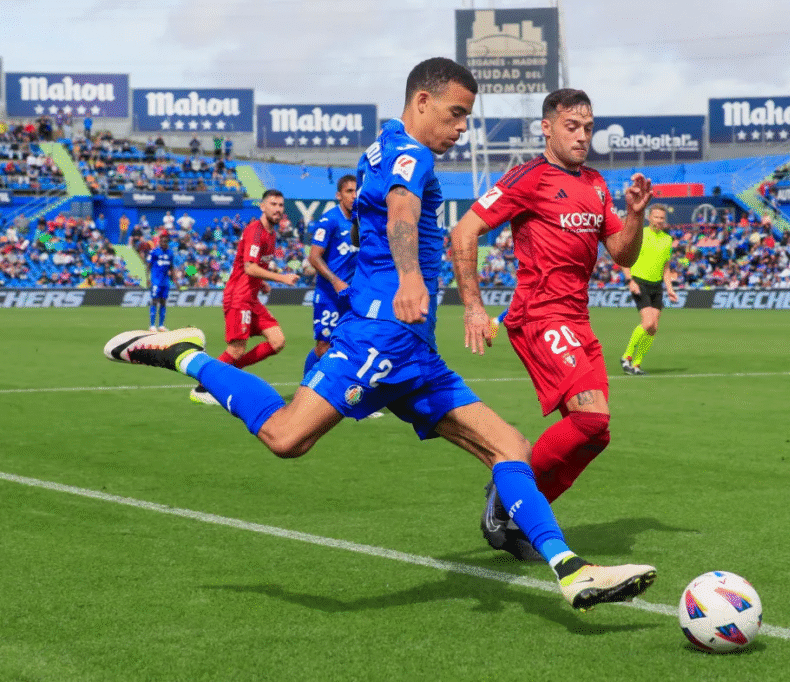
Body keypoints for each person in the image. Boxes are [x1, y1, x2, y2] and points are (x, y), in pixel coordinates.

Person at [103, 58, 655, 612]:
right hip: (381, 338)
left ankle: (572, 571)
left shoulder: (385, 143)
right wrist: (412, 276)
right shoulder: (411, 154)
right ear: (422, 103)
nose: (462, 128)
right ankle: (184, 354)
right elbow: (400, 210)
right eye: (456, 113)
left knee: (509, 448)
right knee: (286, 438)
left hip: (414, 348)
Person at [450, 88, 654, 559]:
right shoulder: (528, 177)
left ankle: (517, 506)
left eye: (588, 128)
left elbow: (622, 253)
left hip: (577, 320)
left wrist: (635, 215)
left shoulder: (597, 184)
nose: (583, 137)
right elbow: (464, 230)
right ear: (547, 127)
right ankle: (507, 497)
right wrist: (474, 307)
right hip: (540, 316)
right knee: (590, 417)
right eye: (572, 127)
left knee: (596, 435)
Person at [189, 189, 300, 405]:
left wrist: (264, 282)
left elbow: (249, 265)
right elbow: (249, 267)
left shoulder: (271, 233)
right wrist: (281, 278)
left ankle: (226, 373)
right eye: (273, 204)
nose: (278, 209)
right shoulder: (255, 231)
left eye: (280, 205)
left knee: (277, 341)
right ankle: (202, 388)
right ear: (262, 206)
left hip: (251, 298)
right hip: (239, 296)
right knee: (236, 349)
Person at [304, 174, 359, 375]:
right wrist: (335, 280)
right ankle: (306, 389)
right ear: (339, 195)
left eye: (356, 191)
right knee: (323, 348)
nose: (354, 196)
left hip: (353, 295)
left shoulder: (361, 222)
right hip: (330, 295)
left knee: (353, 345)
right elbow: (314, 257)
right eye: (348, 191)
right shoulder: (329, 220)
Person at [619, 203, 679, 376]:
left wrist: (669, 289)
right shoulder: (640, 234)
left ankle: (636, 365)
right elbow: (624, 258)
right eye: (656, 217)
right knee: (648, 323)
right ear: (649, 217)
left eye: (662, 218)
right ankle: (627, 356)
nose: (659, 220)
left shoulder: (667, 239)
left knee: (653, 328)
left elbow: (666, 268)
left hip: (657, 285)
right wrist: (630, 280)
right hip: (639, 282)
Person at [146, 231, 175, 331]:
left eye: (165, 242)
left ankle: (161, 325)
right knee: (154, 301)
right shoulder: (154, 252)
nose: (164, 243)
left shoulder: (170, 253)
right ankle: (152, 325)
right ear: (159, 242)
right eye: (162, 241)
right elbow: (148, 265)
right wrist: (147, 279)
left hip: (165, 282)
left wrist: (175, 280)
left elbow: (172, 267)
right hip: (156, 281)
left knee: (163, 302)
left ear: (167, 242)